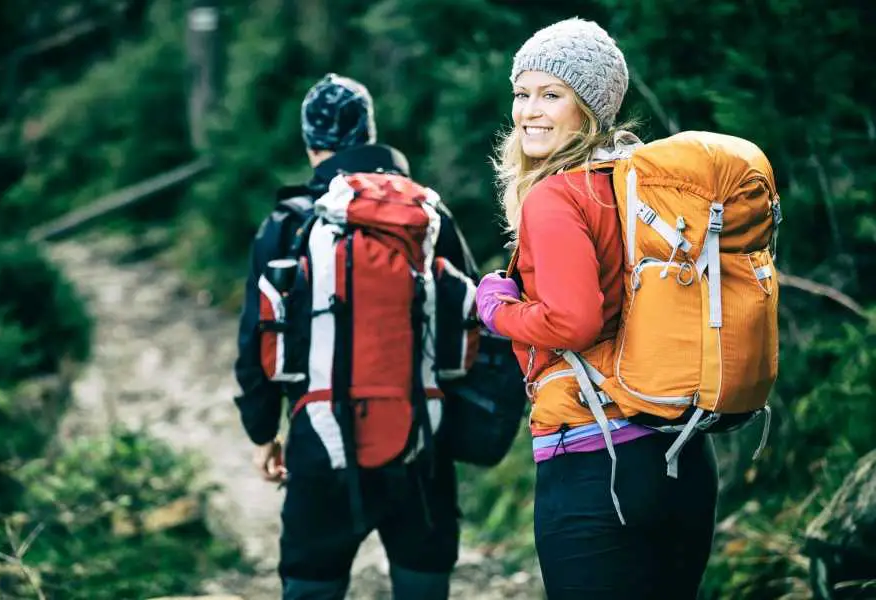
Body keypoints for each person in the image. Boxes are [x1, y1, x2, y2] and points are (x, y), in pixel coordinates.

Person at [474, 18, 720, 600]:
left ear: (588, 108)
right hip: (681, 455)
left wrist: (497, 310)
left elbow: (574, 321)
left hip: (596, 464)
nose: (529, 111)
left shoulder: (557, 196)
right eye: (522, 93)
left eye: (551, 95)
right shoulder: (641, 186)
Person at [234, 73, 479, 600]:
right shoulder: (427, 216)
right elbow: (476, 319)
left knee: (312, 586)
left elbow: (255, 341)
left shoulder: (287, 223)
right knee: (423, 584)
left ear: (310, 145)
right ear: (370, 134)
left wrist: (262, 434)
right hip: (422, 445)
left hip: (320, 442)